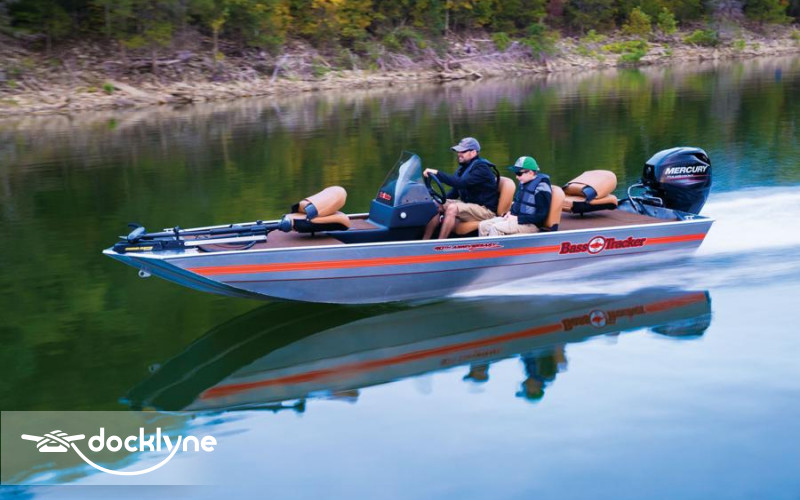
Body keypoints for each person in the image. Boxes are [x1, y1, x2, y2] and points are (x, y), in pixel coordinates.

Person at [422, 137, 499, 240]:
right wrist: (441, 201)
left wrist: (437, 173)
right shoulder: (462, 169)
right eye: (458, 151)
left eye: (463, 151)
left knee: (452, 208)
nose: (459, 154)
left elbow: (461, 183)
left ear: (473, 152)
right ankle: (425, 241)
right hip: (470, 205)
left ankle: (440, 243)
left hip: (486, 211)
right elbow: (455, 192)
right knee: (436, 204)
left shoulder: (482, 168)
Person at [479, 156, 552, 237]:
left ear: (530, 173)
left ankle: (495, 245)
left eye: (519, 173)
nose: (516, 177)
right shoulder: (524, 183)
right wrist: (510, 213)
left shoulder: (541, 187)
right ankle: (484, 245)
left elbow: (541, 216)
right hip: (517, 220)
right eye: (516, 173)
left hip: (531, 225)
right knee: (483, 226)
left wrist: (517, 219)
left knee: (496, 228)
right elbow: (518, 203)